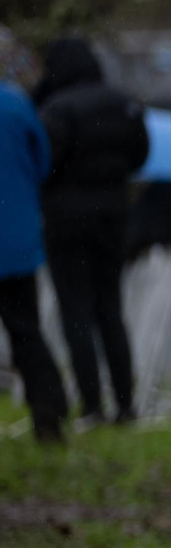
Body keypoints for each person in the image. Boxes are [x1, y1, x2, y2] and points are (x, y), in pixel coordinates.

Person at [33, 37, 149, 425]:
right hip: (113, 216)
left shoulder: (56, 108)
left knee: (75, 310)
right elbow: (140, 155)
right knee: (111, 308)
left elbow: (44, 163)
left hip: (66, 219)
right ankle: (126, 403)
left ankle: (92, 404)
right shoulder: (124, 103)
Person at [0, 30, 69, 444]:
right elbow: (44, 162)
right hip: (14, 239)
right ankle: (47, 412)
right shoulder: (15, 104)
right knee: (25, 330)